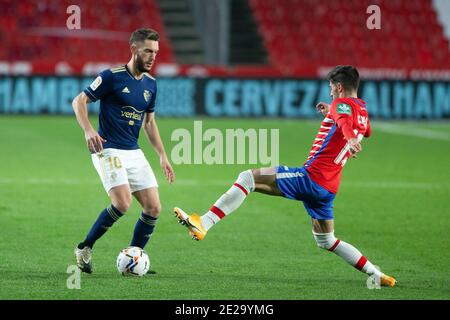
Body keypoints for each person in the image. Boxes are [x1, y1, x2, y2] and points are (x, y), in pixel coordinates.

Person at [174, 65, 396, 287]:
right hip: (328, 189)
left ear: (339, 87)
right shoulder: (362, 111)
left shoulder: (342, 106)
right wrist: (334, 114)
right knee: (327, 240)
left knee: (248, 177)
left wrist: (348, 136)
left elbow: (345, 123)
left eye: (331, 88)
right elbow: (364, 130)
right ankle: (376, 273)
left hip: (310, 178)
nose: (330, 93)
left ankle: (204, 222)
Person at [72, 28, 175, 274]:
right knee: (123, 203)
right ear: (134, 50)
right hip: (108, 149)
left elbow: (149, 123)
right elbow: (79, 101)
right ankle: (84, 247)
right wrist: (88, 130)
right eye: (148, 51)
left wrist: (162, 155)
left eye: (156, 52)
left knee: (154, 208)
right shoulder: (112, 77)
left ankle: (134, 258)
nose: (152, 57)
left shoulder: (151, 84)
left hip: (133, 151)